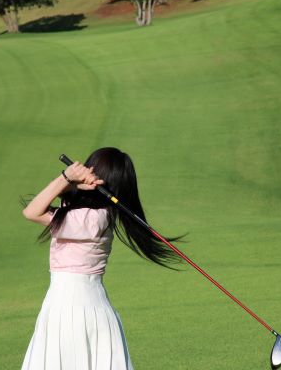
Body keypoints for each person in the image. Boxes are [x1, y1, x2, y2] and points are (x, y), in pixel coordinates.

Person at [20, 147, 183, 370]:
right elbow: (57, 201)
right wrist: (74, 185)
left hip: (73, 309)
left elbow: (32, 211)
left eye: (92, 169)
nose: (86, 172)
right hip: (76, 303)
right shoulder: (95, 213)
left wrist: (66, 177)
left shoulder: (91, 220)